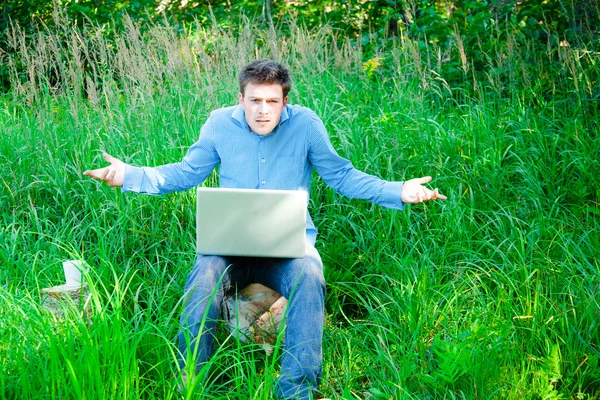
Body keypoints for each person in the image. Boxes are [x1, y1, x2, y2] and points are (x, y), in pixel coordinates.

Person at [84, 59, 446, 399]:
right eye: (254, 99)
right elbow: (185, 172)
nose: (262, 110)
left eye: (272, 101)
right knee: (205, 271)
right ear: (240, 98)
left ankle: (295, 389)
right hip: (229, 247)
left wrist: (398, 189)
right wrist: (129, 174)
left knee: (309, 272)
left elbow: (341, 176)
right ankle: (190, 382)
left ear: (285, 101)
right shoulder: (218, 124)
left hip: (289, 249)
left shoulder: (305, 124)